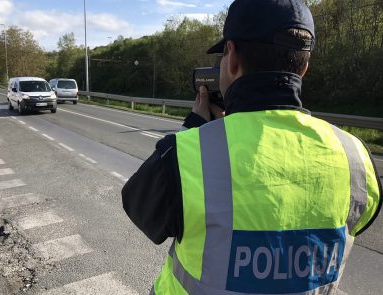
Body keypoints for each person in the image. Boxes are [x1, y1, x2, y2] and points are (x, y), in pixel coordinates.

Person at [122, 0, 382, 294]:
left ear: (231, 59)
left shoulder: (186, 153)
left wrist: (195, 128)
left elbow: (140, 210)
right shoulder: (356, 157)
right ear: (304, 67)